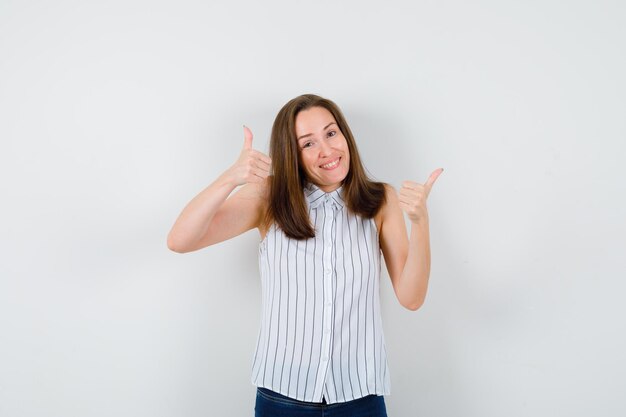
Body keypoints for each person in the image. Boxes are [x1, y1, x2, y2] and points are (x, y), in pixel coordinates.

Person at [167, 94, 443, 416]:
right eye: (308, 144)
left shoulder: (380, 200)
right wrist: (231, 178)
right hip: (282, 396)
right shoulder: (269, 198)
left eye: (330, 133)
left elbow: (412, 297)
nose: (327, 151)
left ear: (344, 135)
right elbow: (180, 240)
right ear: (292, 155)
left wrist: (420, 223)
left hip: (360, 397)